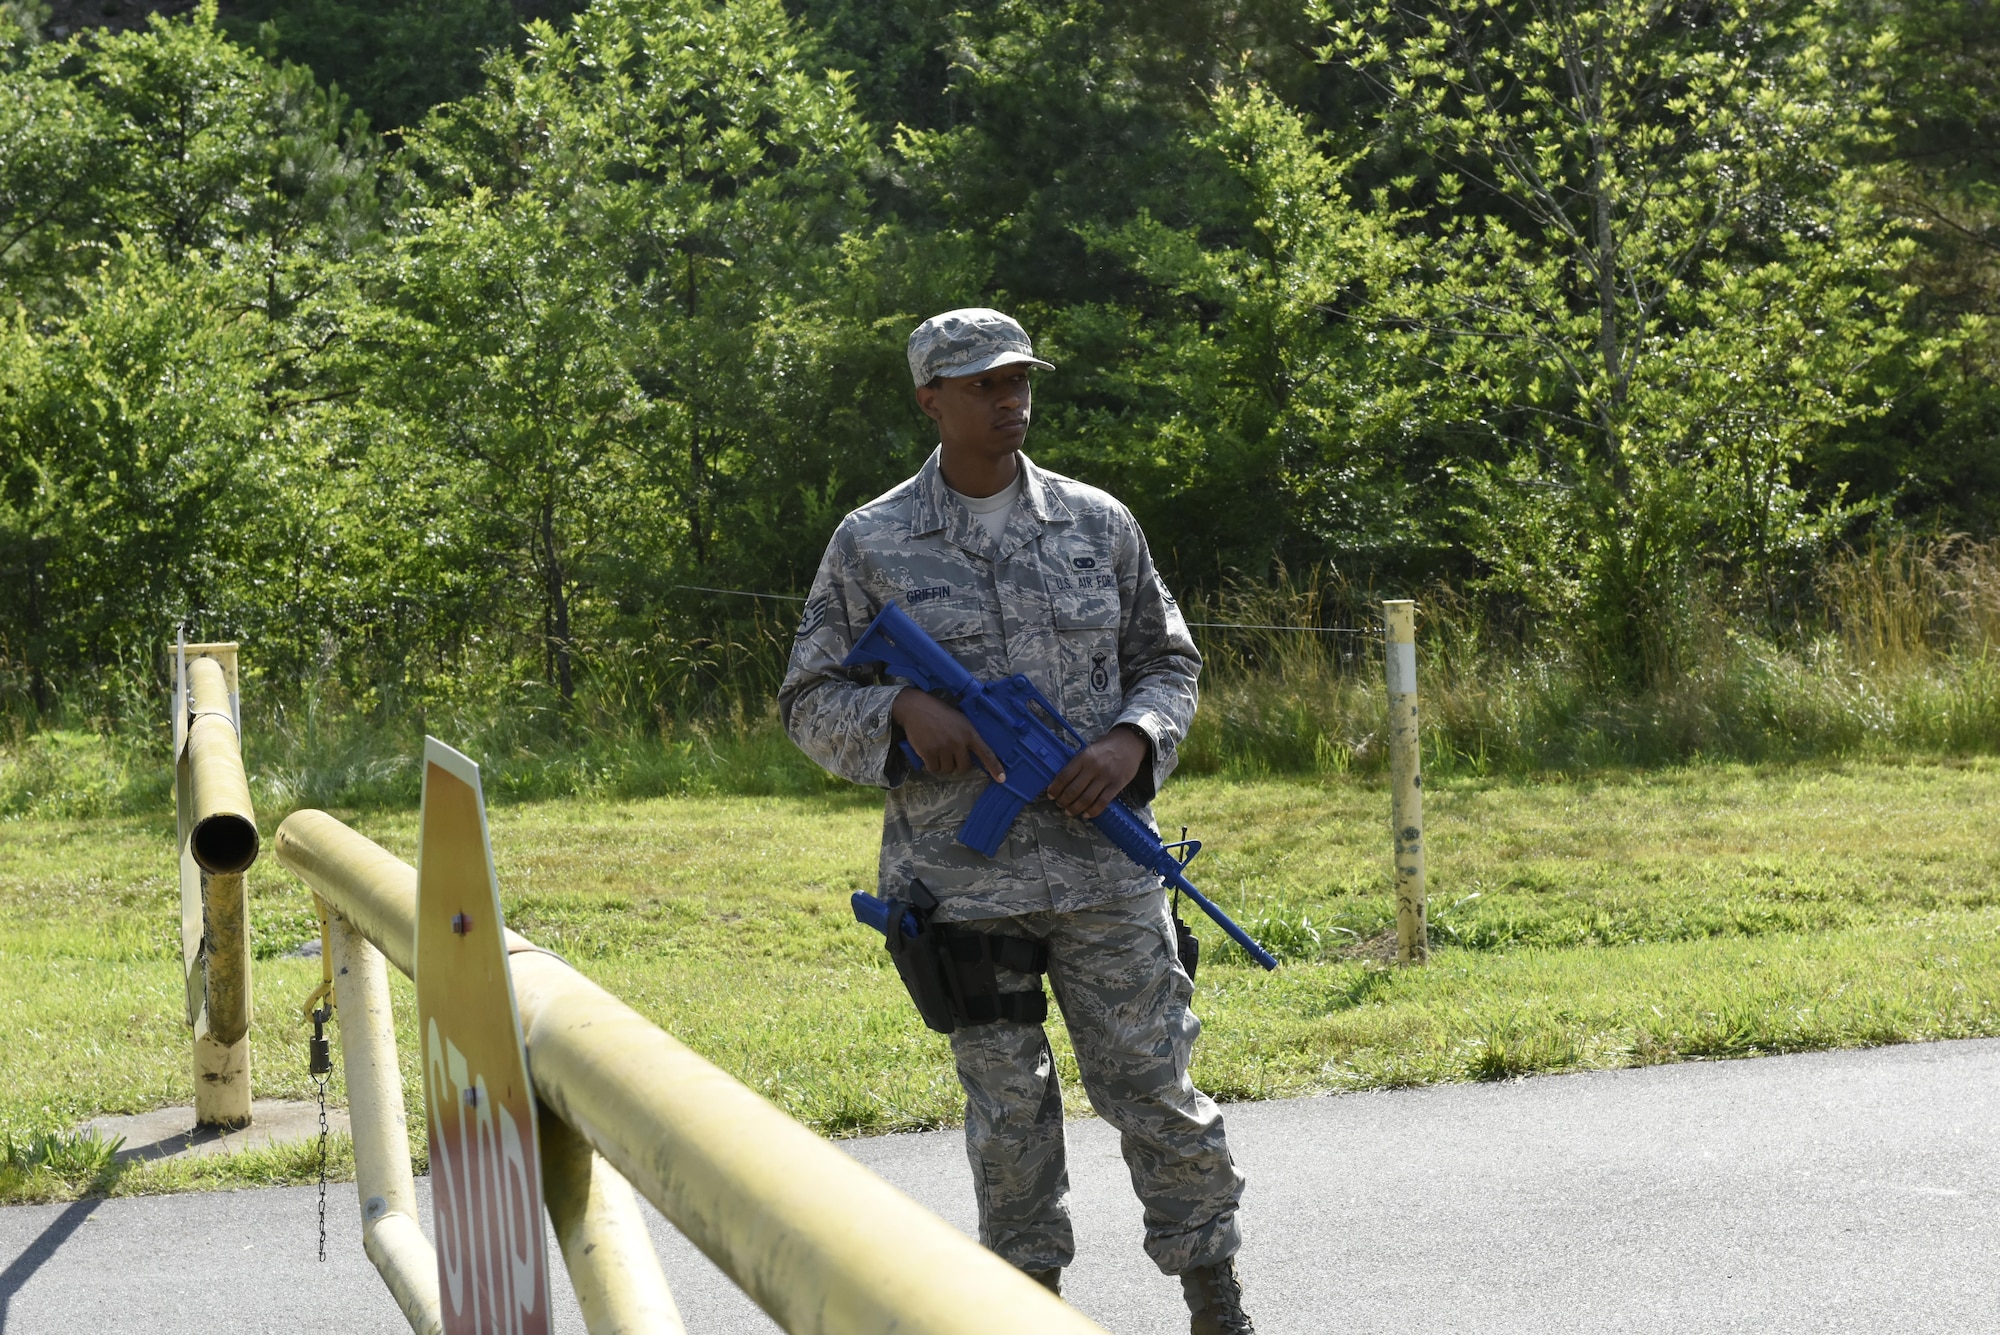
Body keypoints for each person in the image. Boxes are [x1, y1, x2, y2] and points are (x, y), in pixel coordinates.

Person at [779, 308, 1255, 1334]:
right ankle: (1022, 1306)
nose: (1009, 400)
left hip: (1106, 877)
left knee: (1158, 1095)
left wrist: (1131, 741)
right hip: (962, 886)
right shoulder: (871, 542)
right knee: (1008, 1118)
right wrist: (900, 714)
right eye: (983, 385)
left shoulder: (1097, 523)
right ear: (929, 400)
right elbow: (807, 701)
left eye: (1018, 380)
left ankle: (1216, 1304)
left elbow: (1168, 662)